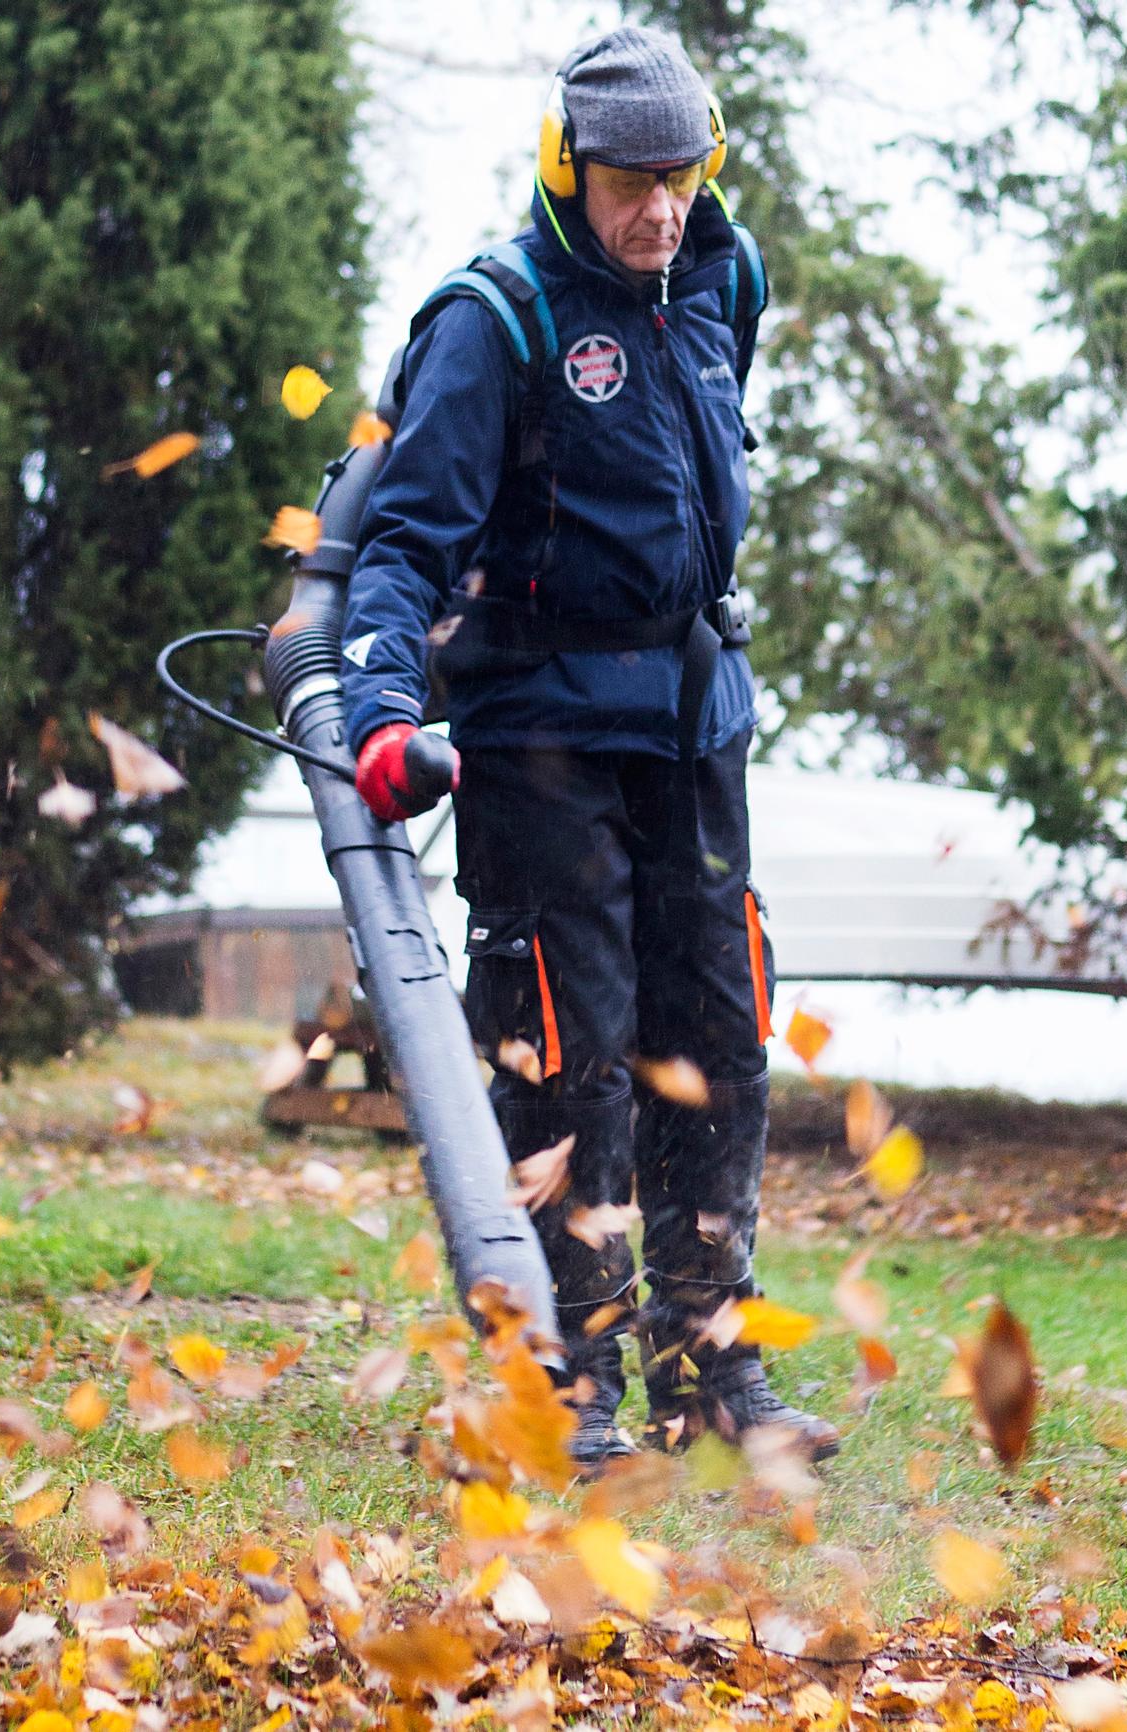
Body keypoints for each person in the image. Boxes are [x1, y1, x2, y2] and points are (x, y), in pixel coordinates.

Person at [336, 24, 837, 1470]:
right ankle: (571, 1378)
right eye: (632, 180)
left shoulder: (721, 279)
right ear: (567, 165)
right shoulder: (493, 319)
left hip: (693, 724)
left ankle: (712, 1360)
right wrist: (377, 715)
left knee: (719, 1034)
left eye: (682, 176)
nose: (659, 208)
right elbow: (399, 545)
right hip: (540, 733)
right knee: (574, 1053)